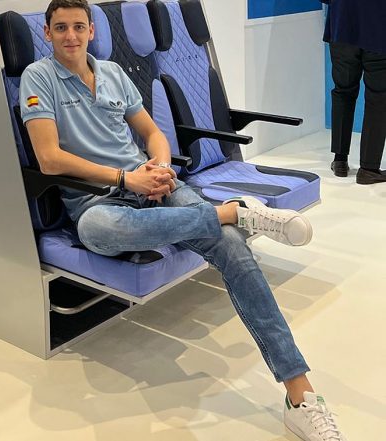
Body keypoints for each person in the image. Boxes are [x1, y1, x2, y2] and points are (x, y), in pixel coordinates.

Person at [20, 1, 346, 440]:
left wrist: (158, 167)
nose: (71, 36)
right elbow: (50, 159)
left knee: (233, 247)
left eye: (79, 26)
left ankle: (299, 394)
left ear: (92, 31)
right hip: (98, 201)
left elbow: (152, 133)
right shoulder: (38, 77)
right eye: (61, 28)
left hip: (149, 182)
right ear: (46, 33)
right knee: (98, 231)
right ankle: (232, 212)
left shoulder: (112, 73)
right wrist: (126, 179)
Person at [322, 0, 386, 184]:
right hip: (379, 28)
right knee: (378, 97)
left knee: (343, 91)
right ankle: (368, 168)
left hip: (342, 26)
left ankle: (340, 160)